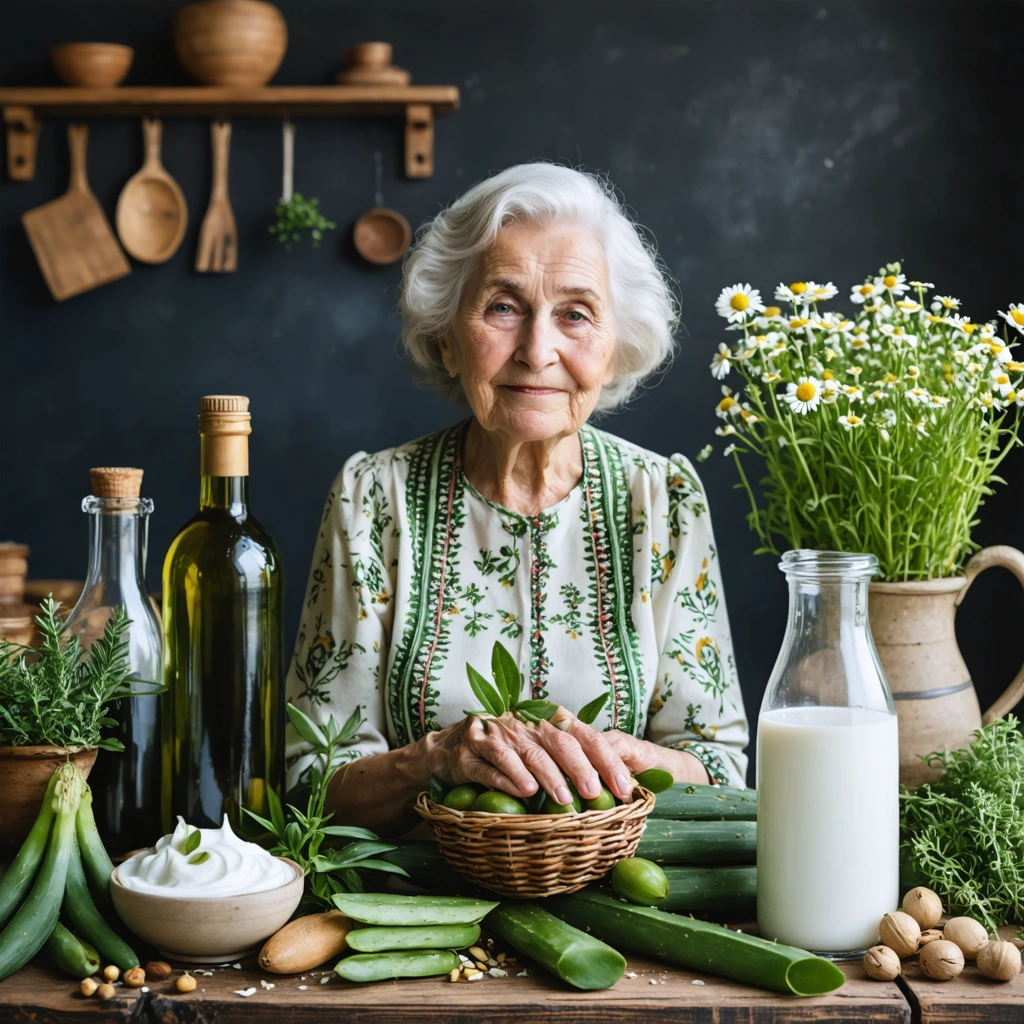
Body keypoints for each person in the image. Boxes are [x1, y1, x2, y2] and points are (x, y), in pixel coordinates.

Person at [285, 163, 748, 835]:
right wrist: (436, 758)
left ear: (614, 349)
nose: (537, 350)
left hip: (615, 905)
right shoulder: (372, 499)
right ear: (448, 340)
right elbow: (312, 781)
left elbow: (722, 771)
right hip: (413, 907)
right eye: (504, 306)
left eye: (576, 314)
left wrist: (616, 760)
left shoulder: (665, 501)